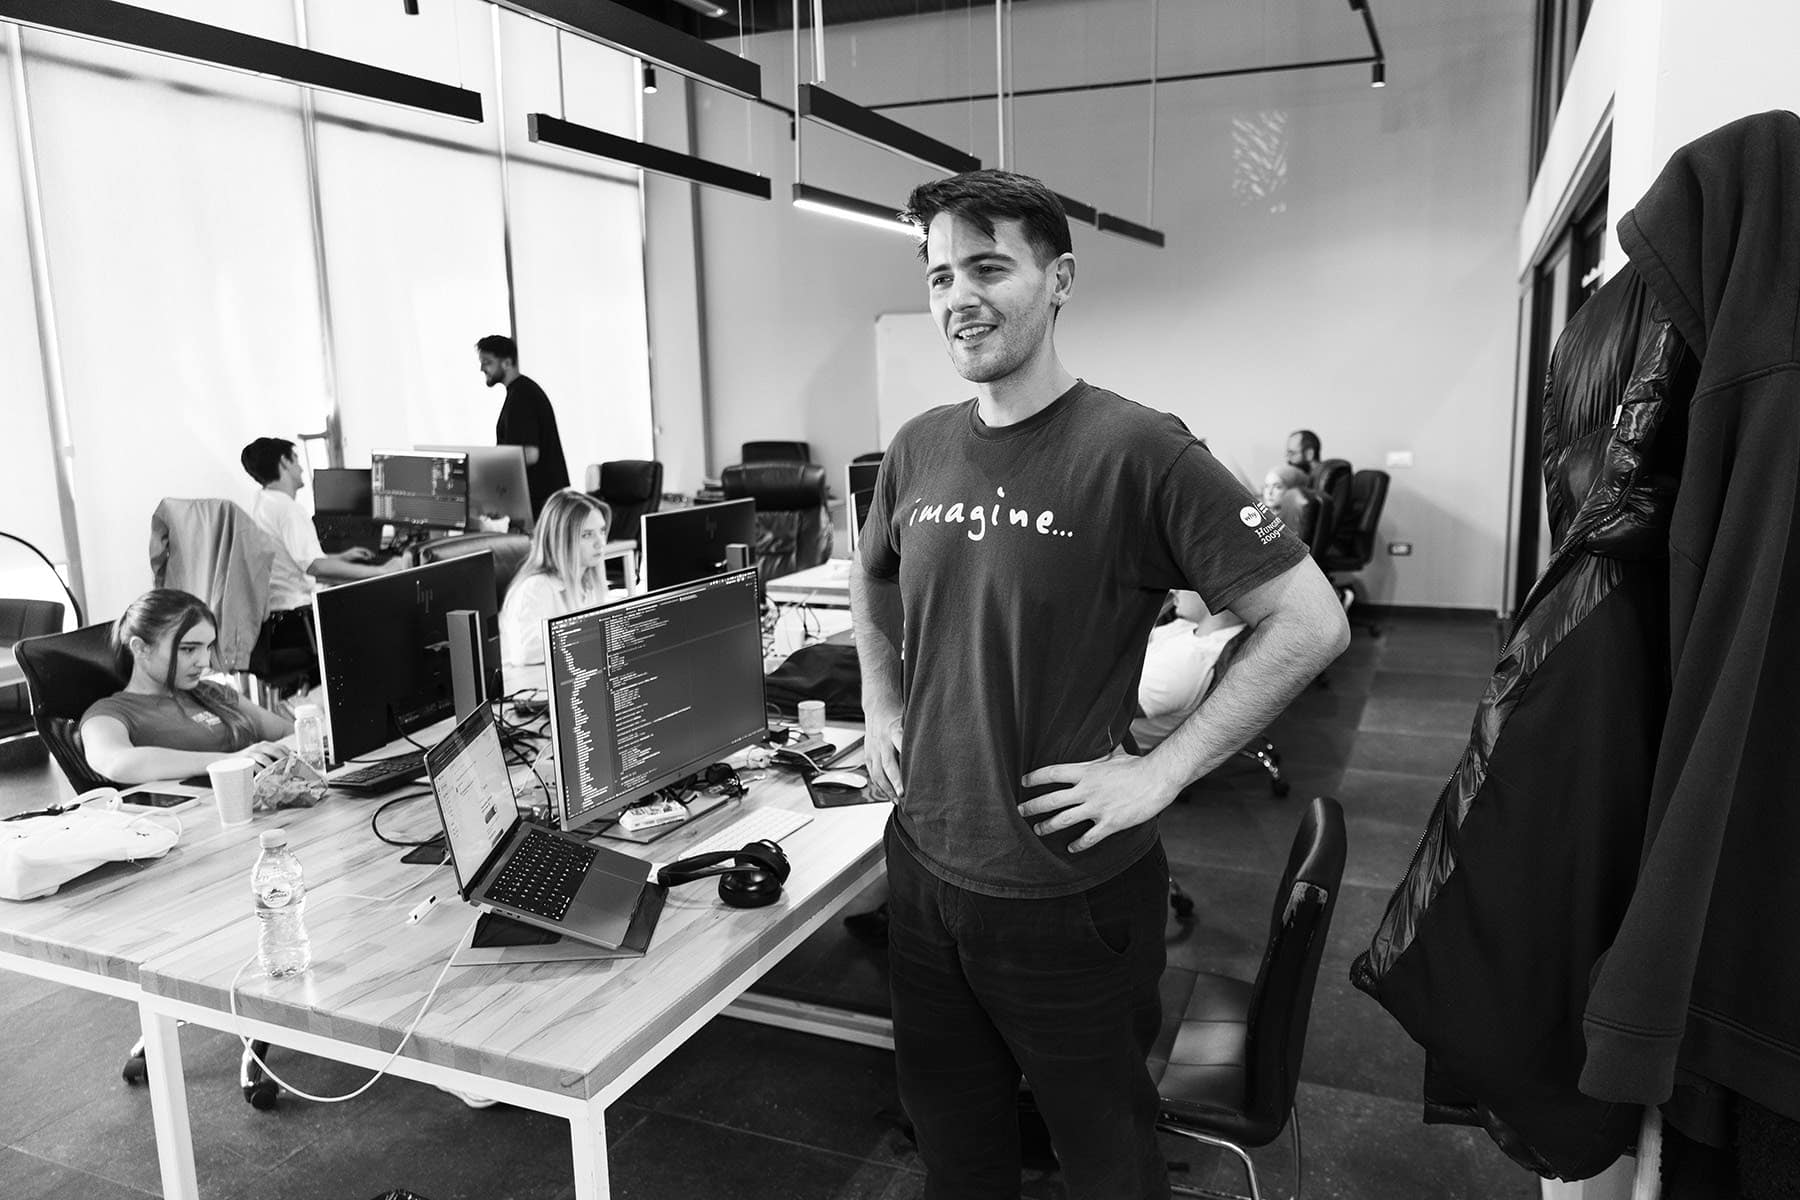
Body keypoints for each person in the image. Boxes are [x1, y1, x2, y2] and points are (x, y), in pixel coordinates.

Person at [851, 169, 1349, 1199]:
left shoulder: (1137, 448)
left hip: (1068, 889)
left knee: (1110, 1165)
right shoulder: (917, 448)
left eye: (989, 267)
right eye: (941, 274)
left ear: (1059, 276)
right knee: (957, 1155)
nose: (959, 298)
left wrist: (1160, 775)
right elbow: (871, 577)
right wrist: (880, 701)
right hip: (925, 872)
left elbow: (1309, 620)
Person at [81, 590, 292, 786]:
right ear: (141, 648)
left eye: (207, 647)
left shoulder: (213, 692)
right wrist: (230, 761)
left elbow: (286, 732)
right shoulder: (107, 714)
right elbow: (118, 763)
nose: (204, 661)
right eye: (188, 649)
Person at [240, 437, 401, 684]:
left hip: (274, 623)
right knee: (385, 617)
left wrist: (340, 558)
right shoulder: (288, 509)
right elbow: (316, 568)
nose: (301, 468)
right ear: (284, 462)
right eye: (296, 460)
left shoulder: (263, 501)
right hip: (299, 622)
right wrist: (383, 571)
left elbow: (295, 559)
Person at [498, 488, 611, 695]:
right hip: (526, 693)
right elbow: (525, 652)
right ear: (560, 538)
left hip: (565, 686)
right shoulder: (536, 587)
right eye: (587, 535)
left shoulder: (588, 581)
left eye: (602, 531)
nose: (600, 543)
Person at [1131, 591, 1247, 752]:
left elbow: (1102, 706)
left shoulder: (1187, 665)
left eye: (1184, 582)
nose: (1173, 590)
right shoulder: (1191, 628)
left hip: (1105, 749)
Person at [477, 334, 570, 518]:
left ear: (507, 362)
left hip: (541, 501)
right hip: (540, 499)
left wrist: (488, 467)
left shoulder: (522, 397)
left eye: (487, 362)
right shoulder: (520, 392)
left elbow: (530, 453)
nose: (482, 368)